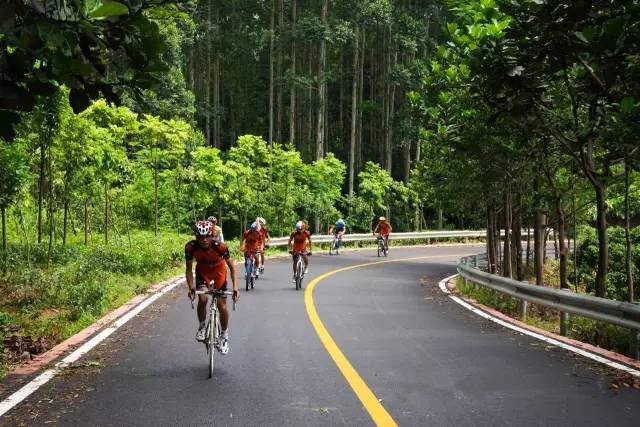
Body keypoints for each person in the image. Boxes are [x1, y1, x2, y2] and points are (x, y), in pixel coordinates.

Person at [185, 220, 239, 354]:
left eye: (207, 236)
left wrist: (236, 288)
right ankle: (202, 327)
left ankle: (224, 336)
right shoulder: (190, 247)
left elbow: (232, 267)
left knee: (222, 306)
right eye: (200, 237)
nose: (203, 240)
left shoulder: (220, 246)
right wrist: (191, 287)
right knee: (202, 298)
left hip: (219, 273)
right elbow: (188, 269)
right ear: (196, 237)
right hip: (203, 274)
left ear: (212, 235)